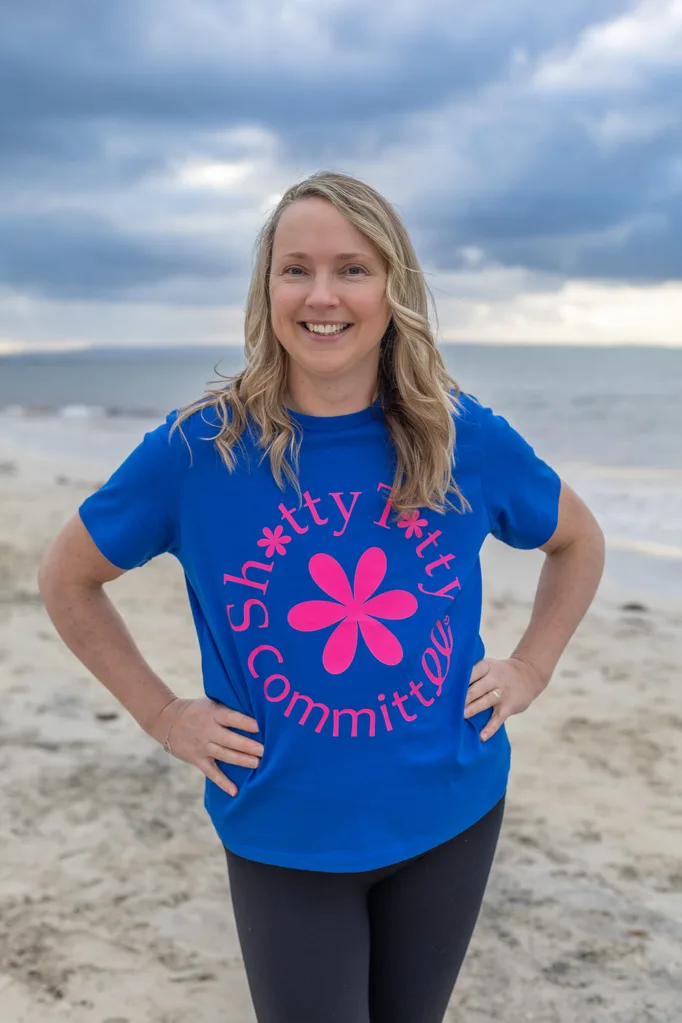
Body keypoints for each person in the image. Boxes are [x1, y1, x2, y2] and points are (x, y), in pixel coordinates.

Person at [38, 170, 605, 1023]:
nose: (323, 294)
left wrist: (530, 665)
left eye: (353, 268)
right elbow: (68, 577)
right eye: (295, 268)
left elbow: (578, 541)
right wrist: (164, 715)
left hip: (451, 809)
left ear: (393, 288)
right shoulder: (200, 449)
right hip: (282, 831)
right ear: (266, 290)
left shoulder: (459, 435)